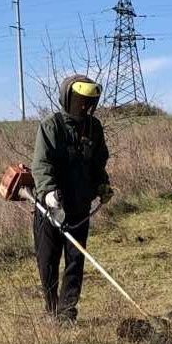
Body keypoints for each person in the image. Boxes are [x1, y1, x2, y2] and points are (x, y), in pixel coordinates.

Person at [31, 75, 113, 322]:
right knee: (48, 262)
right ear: (67, 99)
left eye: (88, 101)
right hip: (50, 210)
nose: (84, 106)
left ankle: (67, 314)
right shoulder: (50, 126)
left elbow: (99, 162)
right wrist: (47, 193)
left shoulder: (94, 127)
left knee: (75, 262)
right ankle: (52, 309)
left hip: (79, 209)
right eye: (79, 100)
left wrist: (102, 186)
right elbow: (41, 164)